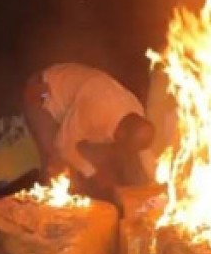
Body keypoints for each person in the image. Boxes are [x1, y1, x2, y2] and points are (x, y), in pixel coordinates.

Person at [22, 63, 156, 199]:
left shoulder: (135, 111)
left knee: (90, 164)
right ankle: (45, 213)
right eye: (128, 148)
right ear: (121, 134)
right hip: (43, 94)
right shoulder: (96, 112)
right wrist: (94, 174)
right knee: (56, 164)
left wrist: (157, 183)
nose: (130, 152)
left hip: (74, 109)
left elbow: (145, 154)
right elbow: (63, 145)